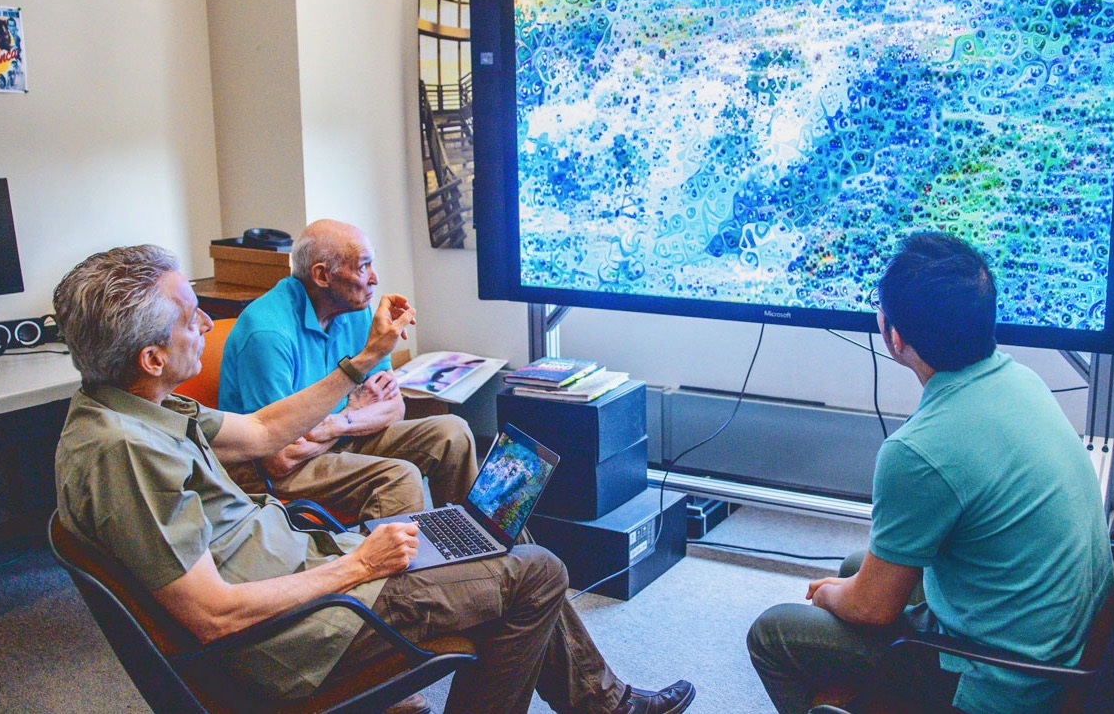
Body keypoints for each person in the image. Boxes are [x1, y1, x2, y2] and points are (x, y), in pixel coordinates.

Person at [52, 244, 695, 714]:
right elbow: (214, 616)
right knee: (537, 573)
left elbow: (262, 433)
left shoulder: (132, 404)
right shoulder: (127, 454)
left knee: (498, 559)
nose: (204, 322)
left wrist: (363, 363)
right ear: (152, 355)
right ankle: (607, 706)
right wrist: (360, 566)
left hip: (306, 566)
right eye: (190, 315)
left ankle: (607, 705)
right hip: (302, 630)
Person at [747, 232, 1112, 714]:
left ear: (894, 338)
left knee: (773, 633)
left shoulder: (917, 452)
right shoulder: (1022, 380)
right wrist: (847, 590)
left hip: (1002, 682)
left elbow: (872, 609)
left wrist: (832, 597)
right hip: (1067, 653)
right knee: (859, 565)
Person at [218, 219, 476, 522]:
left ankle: (485, 552)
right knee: (399, 478)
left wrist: (340, 424)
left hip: (336, 437)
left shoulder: (355, 309)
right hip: (271, 470)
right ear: (322, 275)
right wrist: (349, 415)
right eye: (363, 266)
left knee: (453, 432)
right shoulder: (267, 333)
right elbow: (281, 457)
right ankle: (395, 569)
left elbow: (394, 407)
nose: (375, 279)